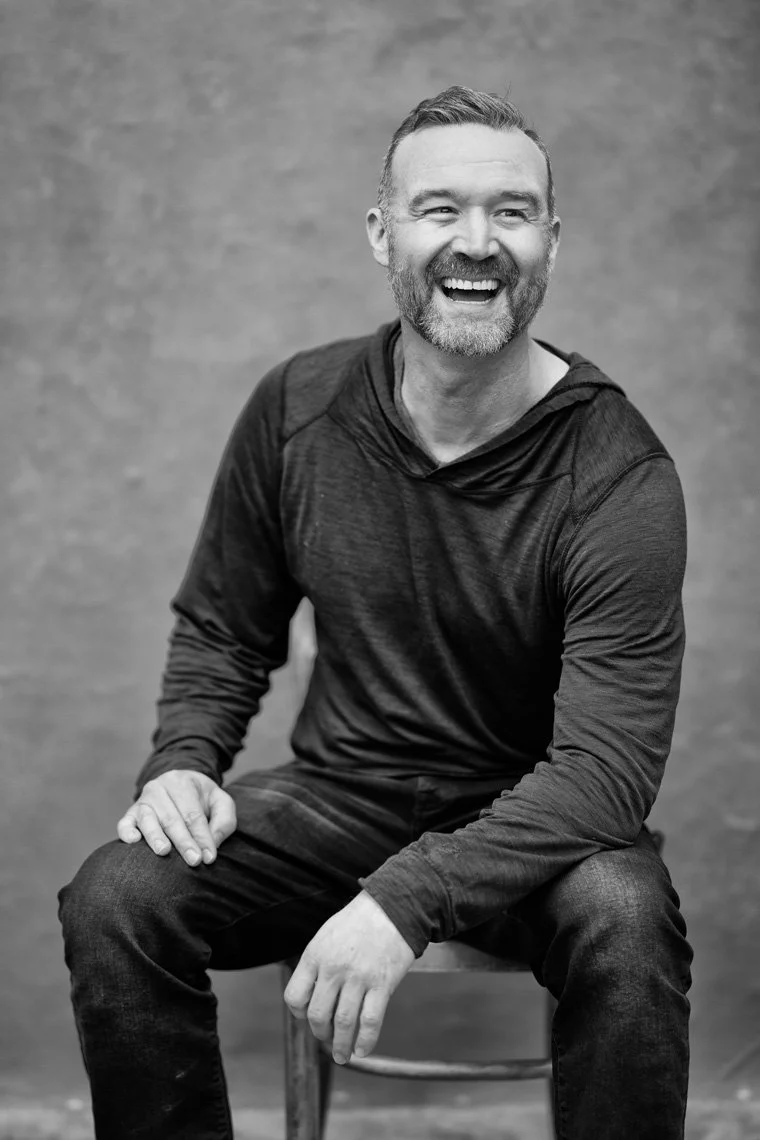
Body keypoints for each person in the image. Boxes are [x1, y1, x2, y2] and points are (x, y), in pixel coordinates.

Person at [58, 85, 693, 1139]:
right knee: (117, 895)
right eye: (439, 209)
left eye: (512, 212)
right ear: (381, 231)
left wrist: (404, 899)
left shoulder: (617, 474)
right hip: (338, 801)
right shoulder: (298, 409)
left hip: (536, 823)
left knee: (625, 916)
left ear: (551, 240)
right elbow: (223, 626)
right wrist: (182, 762)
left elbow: (604, 772)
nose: (477, 242)